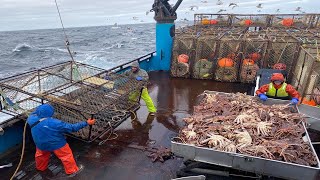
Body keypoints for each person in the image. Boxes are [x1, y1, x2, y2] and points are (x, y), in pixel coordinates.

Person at [27, 104, 95, 176]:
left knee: (41, 155)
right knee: (66, 156)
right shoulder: (56, 123)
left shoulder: (31, 119)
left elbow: (33, 113)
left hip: (40, 143)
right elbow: (72, 128)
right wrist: (86, 123)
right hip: (57, 144)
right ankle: (72, 171)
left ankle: (41, 168)